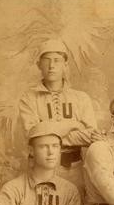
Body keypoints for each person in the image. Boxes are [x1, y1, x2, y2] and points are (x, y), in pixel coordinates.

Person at [18, 38, 104, 194]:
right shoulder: (29, 98)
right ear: (39, 65)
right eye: (47, 61)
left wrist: (50, 134)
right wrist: (73, 125)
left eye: (57, 61)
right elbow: (32, 134)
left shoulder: (81, 98)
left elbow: (91, 136)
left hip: (74, 168)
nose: (51, 66)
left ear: (65, 65)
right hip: (41, 169)